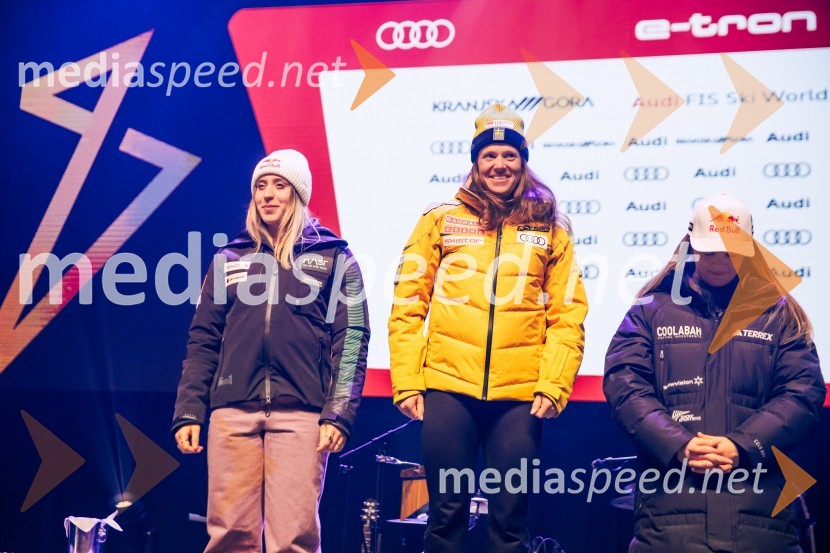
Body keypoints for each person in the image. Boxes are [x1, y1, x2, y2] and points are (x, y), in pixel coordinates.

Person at [389, 104, 588, 552]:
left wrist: (555, 383)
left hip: (519, 397)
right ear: (475, 162)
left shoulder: (550, 226)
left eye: (510, 155)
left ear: (523, 161)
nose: (500, 164)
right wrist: (407, 381)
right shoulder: (440, 219)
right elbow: (408, 305)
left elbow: (568, 313)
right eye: (489, 155)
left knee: (510, 522)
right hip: (447, 389)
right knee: (445, 518)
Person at [172, 149, 370, 553]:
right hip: (232, 413)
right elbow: (203, 339)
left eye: (280, 185)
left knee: (293, 540)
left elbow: (351, 338)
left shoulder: (335, 256)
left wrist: (338, 413)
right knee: (229, 536)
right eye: (261, 186)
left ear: (298, 194)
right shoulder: (228, 257)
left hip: (301, 415)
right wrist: (189, 410)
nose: (268, 194)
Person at [604, 192, 825, 553]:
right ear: (691, 244)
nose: (720, 262)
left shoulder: (780, 314)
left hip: (761, 522)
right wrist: (678, 444)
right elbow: (624, 384)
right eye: (710, 252)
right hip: (669, 522)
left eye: (730, 252)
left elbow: (803, 393)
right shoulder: (652, 308)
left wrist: (744, 446)